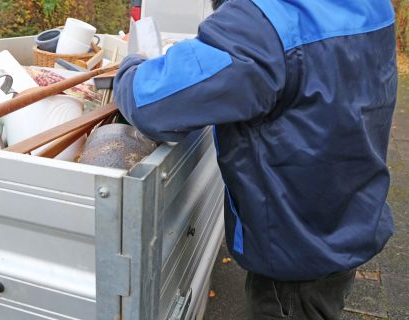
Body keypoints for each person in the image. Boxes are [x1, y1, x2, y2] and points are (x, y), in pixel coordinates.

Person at [113, 0, 397, 319]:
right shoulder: (374, 5)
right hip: (345, 224)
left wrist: (129, 67)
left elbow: (151, 103)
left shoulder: (263, 20)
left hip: (294, 257)